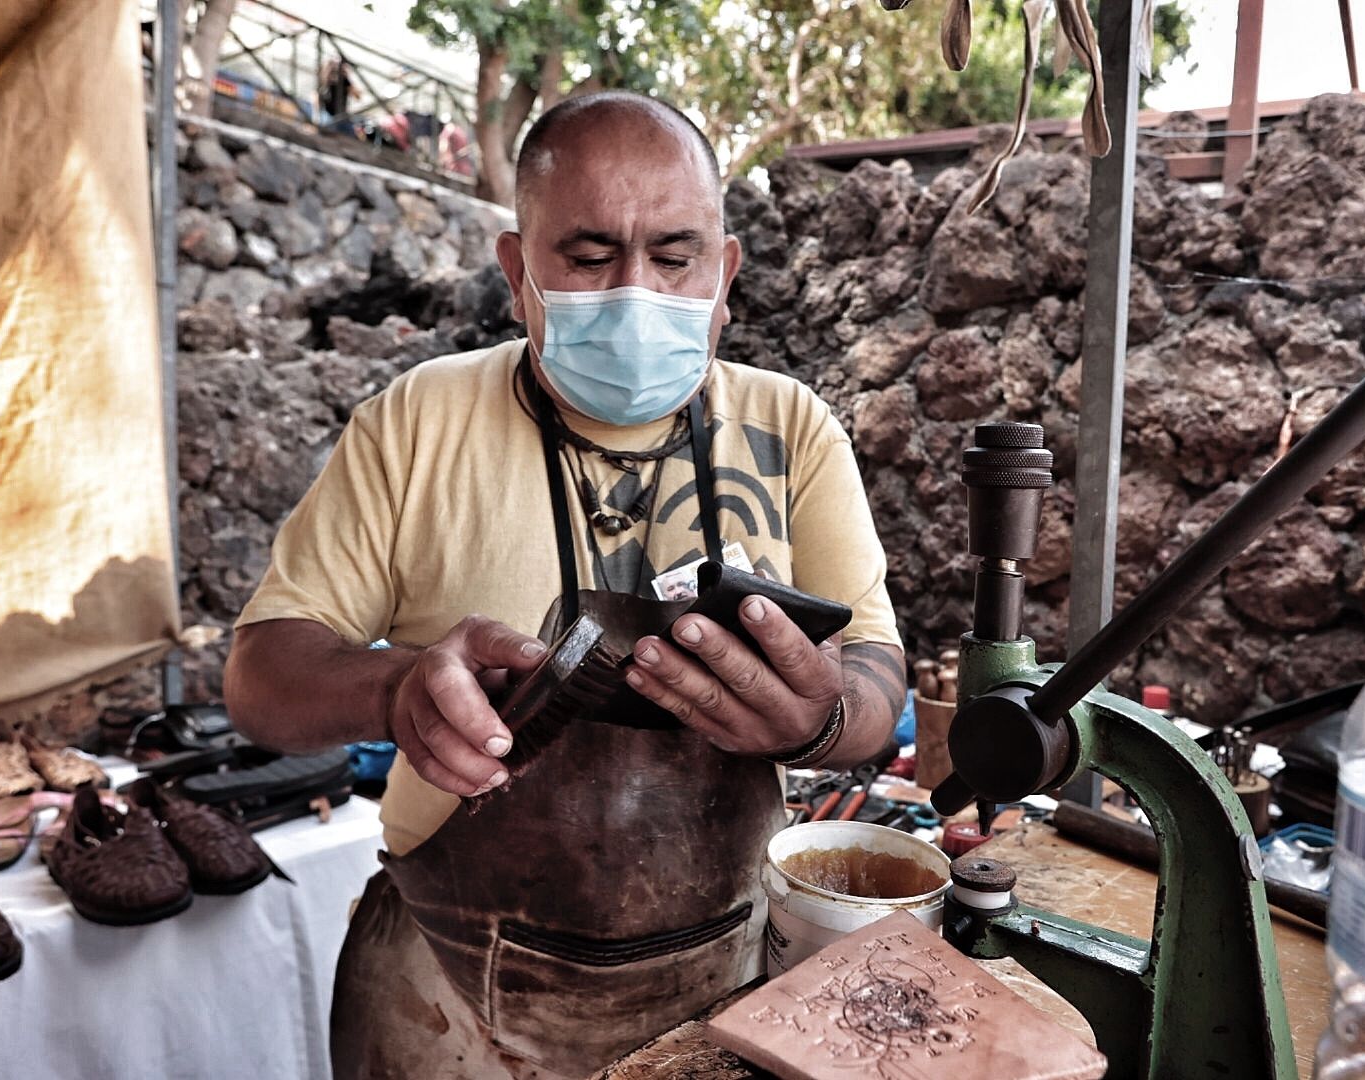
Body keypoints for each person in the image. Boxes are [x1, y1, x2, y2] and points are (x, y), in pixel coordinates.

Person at [224, 90, 906, 1080]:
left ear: (724, 277)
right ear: (517, 273)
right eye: (589, 258)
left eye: (674, 257)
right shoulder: (415, 422)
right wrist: (394, 689)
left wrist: (818, 716)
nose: (636, 291)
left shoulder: (791, 430)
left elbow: (880, 689)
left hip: (728, 983)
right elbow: (259, 678)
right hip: (448, 1001)